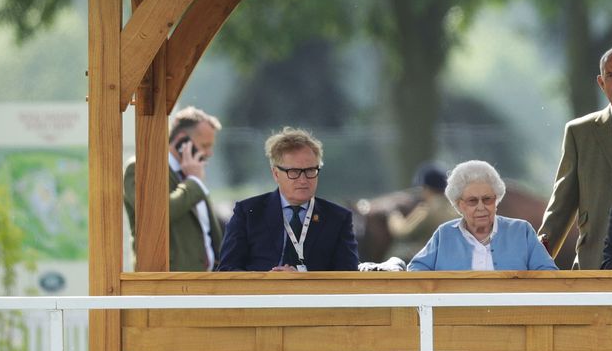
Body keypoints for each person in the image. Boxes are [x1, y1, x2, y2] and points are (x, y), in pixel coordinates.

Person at [539, 45, 612, 269]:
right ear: (601, 83)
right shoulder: (580, 133)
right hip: (598, 257)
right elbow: (561, 205)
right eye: (611, 76)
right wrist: (535, 257)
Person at [216, 127, 359, 271]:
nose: (303, 180)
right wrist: (267, 281)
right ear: (276, 174)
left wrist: (303, 279)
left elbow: (348, 276)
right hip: (263, 292)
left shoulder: (338, 218)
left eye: (310, 171)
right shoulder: (248, 213)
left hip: (313, 293)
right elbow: (227, 270)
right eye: (294, 172)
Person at [123, 106, 224, 271]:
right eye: (205, 145)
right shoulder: (140, 168)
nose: (210, 153)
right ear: (183, 140)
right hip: (166, 285)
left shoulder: (191, 173)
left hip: (205, 284)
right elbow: (156, 214)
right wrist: (193, 182)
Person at [407, 160, 557, 271]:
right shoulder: (444, 234)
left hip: (512, 312)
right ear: (459, 205)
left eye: (487, 199)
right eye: (472, 201)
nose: (481, 207)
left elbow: (548, 272)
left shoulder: (521, 231)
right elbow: (416, 270)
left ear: (496, 200)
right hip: (458, 312)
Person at [387, 163, 456, 260]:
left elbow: (402, 232)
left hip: (434, 262)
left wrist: (393, 214)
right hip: (454, 258)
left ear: (426, 188)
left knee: (398, 255)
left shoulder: (426, 209)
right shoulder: (455, 208)